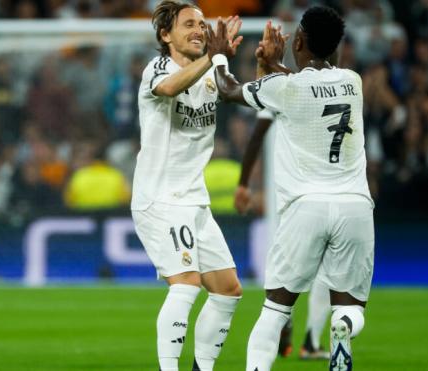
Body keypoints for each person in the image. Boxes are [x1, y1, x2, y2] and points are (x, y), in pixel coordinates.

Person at [206, 6, 374, 370]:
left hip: (305, 207)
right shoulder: (353, 82)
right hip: (356, 206)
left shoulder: (287, 87)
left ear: (298, 40)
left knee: (274, 311)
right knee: (349, 309)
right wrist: (276, 65)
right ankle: (343, 326)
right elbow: (308, 86)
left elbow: (227, 89)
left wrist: (218, 54)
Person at [130, 1, 245, 370]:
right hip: (160, 198)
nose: (199, 30)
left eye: (202, 24)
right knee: (185, 284)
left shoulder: (210, 70)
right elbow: (167, 89)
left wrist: (261, 63)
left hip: (194, 199)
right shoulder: (158, 68)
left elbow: (236, 93)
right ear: (166, 35)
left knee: (228, 290)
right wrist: (212, 58)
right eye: (189, 24)